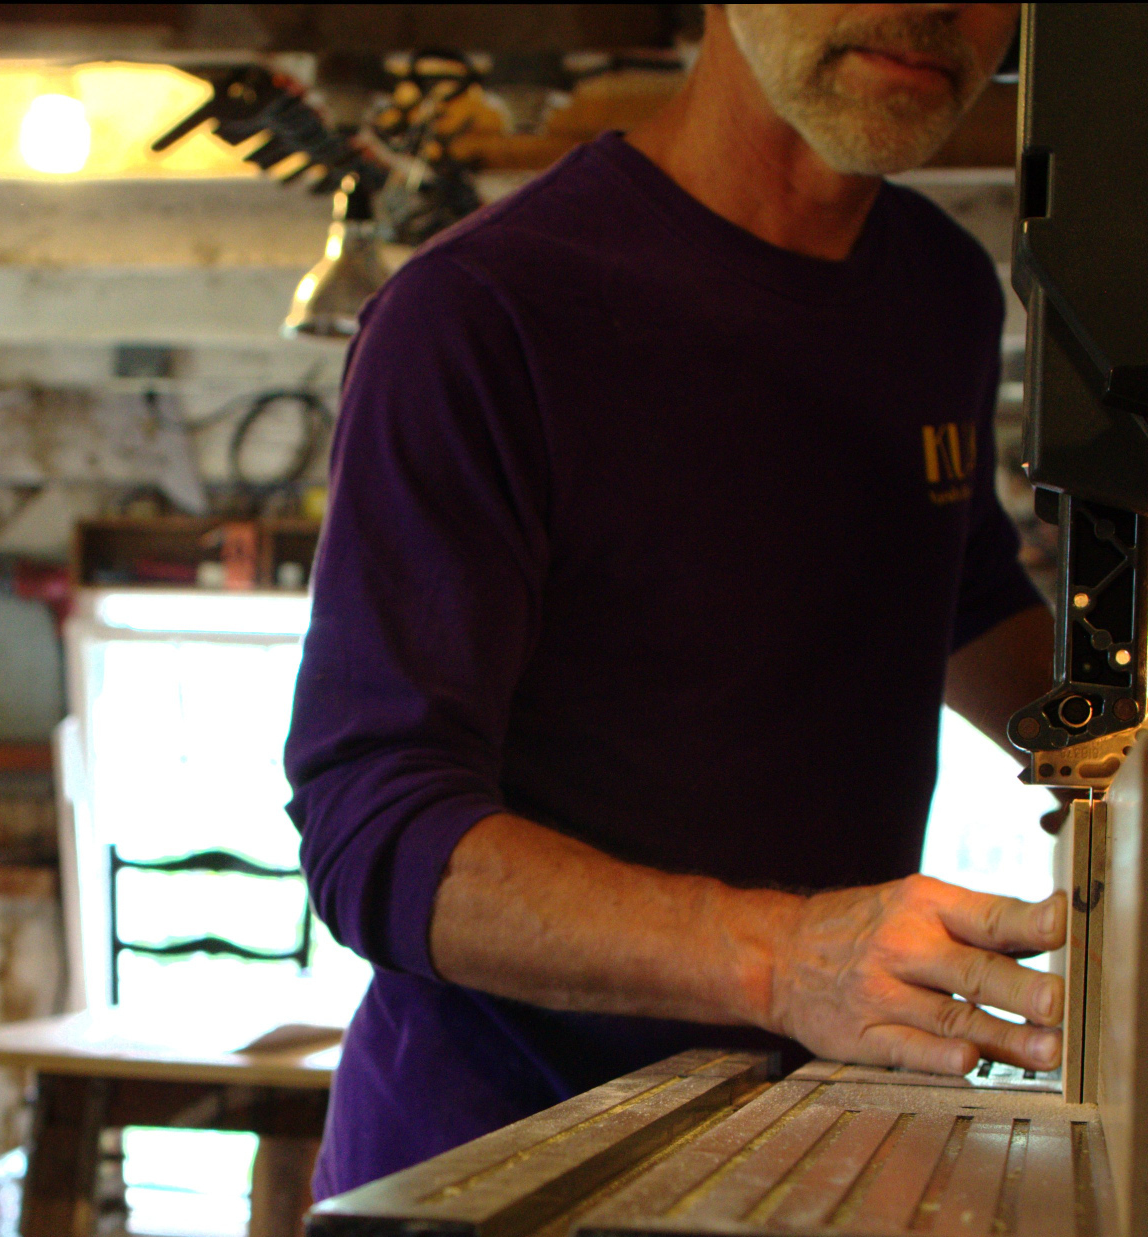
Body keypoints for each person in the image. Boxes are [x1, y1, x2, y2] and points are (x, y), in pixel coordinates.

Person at [285, 3, 1065, 1193]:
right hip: (498, 1167)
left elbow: (953, 583)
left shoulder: (943, 292)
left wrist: (1123, 772)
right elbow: (375, 830)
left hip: (787, 1153)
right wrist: (790, 959)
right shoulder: (482, 314)